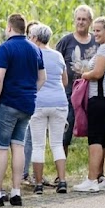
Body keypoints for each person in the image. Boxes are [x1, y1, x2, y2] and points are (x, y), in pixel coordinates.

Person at [0, 14, 44, 208]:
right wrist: (31, 92)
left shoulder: (6, 48)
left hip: (7, 103)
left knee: (1, 147)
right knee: (18, 145)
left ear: (9, 28)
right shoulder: (35, 48)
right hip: (27, 104)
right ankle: (16, 190)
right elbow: (42, 77)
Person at [75, 16, 105, 193]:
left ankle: (92, 180)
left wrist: (84, 75)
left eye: (98, 30)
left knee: (95, 138)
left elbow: (97, 73)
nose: (95, 33)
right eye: (94, 30)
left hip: (102, 97)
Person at [27, 24, 69, 193]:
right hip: (59, 102)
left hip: (38, 102)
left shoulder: (32, 54)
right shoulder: (58, 56)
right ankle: (63, 181)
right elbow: (64, 81)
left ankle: (38, 184)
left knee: (38, 145)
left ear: (36, 38)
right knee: (57, 143)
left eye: (30, 36)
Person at [55, 5, 98, 152]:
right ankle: (61, 172)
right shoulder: (66, 41)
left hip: (92, 92)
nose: (80, 22)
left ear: (90, 21)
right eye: (78, 19)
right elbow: (55, 64)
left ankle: (97, 172)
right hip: (69, 93)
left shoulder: (96, 41)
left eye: (84, 19)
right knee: (64, 133)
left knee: (95, 133)